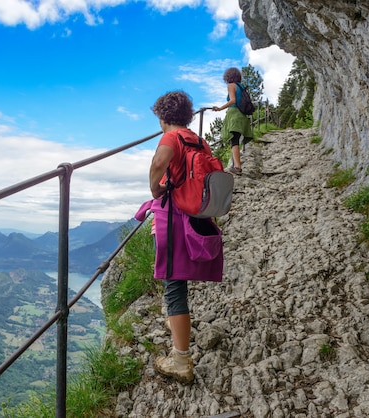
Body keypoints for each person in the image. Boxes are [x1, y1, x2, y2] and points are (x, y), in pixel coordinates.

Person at [141, 90, 223, 385]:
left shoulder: (170, 138)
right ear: (188, 116)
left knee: (174, 285)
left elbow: (157, 165)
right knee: (178, 283)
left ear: (163, 117)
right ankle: (178, 327)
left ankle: (181, 360)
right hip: (194, 215)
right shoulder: (199, 140)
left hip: (174, 219)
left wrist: (154, 190)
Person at [212, 67, 254, 176]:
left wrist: (220, 108)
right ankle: (236, 165)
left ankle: (237, 167)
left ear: (228, 76)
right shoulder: (241, 86)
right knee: (236, 139)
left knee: (234, 141)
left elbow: (233, 100)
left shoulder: (231, 86)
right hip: (242, 115)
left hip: (234, 114)